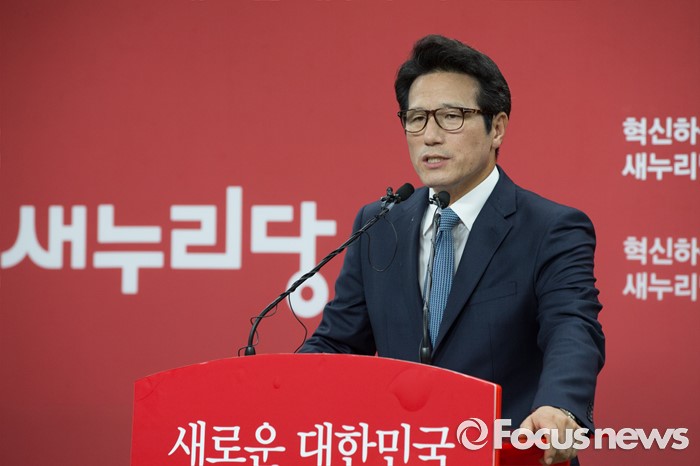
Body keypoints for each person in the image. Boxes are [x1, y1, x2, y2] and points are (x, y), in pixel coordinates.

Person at [299, 34, 605, 465]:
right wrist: (280, 390)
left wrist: (561, 405)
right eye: (416, 118)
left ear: (497, 127)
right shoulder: (379, 224)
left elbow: (571, 327)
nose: (430, 136)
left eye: (451, 117)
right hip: (407, 454)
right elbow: (338, 343)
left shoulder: (551, 228)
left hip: (508, 455)